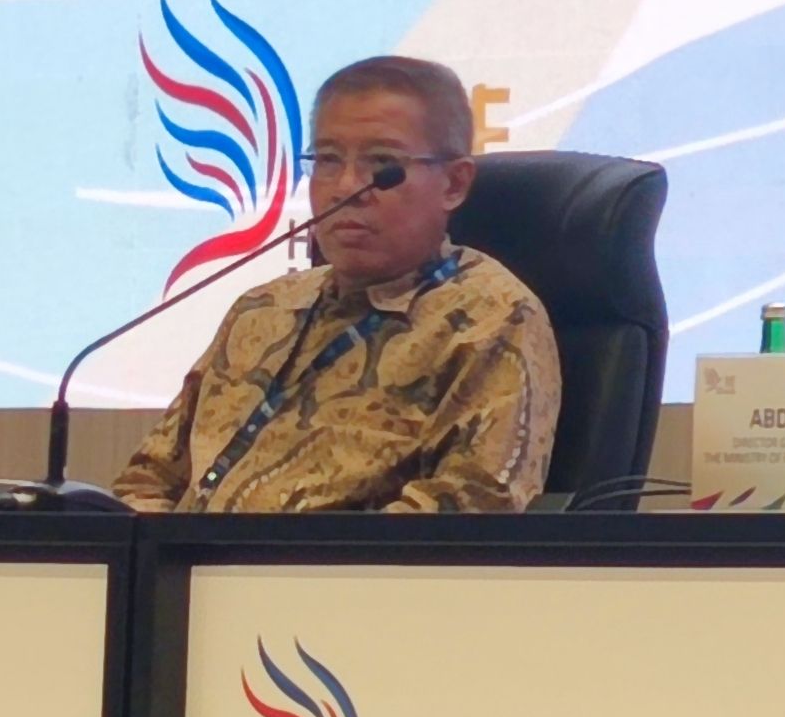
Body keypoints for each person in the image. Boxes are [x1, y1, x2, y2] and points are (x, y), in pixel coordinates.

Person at [115, 56, 561, 513]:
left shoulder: (490, 318)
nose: (345, 187)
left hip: (347, 560)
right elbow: (149, 479)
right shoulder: (263, 308)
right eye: (328, 160)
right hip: (184, 557)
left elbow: (468, 511)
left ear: (453, 184)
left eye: (382, 164)